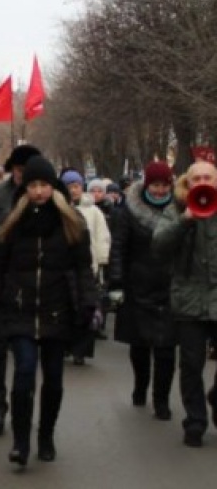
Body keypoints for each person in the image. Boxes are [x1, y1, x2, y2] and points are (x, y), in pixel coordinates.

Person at [0, 156, 97, 467]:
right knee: (23, 373)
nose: (39, 191)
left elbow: (83, 268)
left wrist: (89, 303)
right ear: (25, 188)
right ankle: (21, 441)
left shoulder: (71, 223)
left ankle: (45, 435)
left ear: (54, 187)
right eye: (33, 185)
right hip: (19, 310)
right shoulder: (11, 223)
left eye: (44, 185)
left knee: (54, 379)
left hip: (57, 310)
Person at [152, 161, 217, 448]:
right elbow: (159, 244)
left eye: (209, 177)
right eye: (197, 178)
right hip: (189, 300)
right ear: (187, 183)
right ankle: (195, 422)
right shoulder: (177, 208)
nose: (203, 181)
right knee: (191, 365)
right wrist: (184, 220)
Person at [109, 161, 176, 421]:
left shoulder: (180, 210)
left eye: (164, 185)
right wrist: (116, 283)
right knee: (140, 346)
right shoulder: (128, 211)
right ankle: (140, 386)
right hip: (137, 286)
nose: (160, 191)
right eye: (155, 185)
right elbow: (119, 248)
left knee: (167, 349)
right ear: (147, 185)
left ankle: (161, 400)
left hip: (169, 287)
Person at [0, 144, 41, 436]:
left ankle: (22, 407)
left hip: (30, 290)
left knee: (26, 359)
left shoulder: (47, 199)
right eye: (19, 171)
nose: (23, 177)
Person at [61, 169, 111, 364]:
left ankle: (81, 350)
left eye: (76, 186)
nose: (73, 190)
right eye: (69, 186)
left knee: (85, 308)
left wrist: (101, 260)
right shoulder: (60, 209)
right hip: (64, 266)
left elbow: (102, 236)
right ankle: (65, 346)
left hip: (87, 265)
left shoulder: (93, 211)